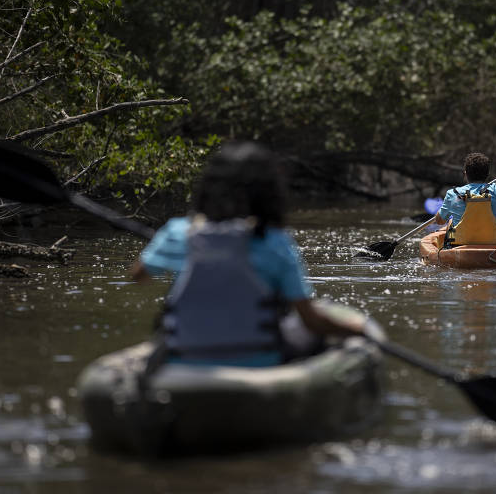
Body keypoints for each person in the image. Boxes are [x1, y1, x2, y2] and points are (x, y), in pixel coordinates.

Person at [130, 140, 364, 367]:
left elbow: (138, 277)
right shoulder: (275, 242)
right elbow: (311, 321)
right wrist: (358, 329)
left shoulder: (178, 233)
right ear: (268, 194)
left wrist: (165, 245)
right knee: (315, 333)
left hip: (184, 355)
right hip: (261, 360)